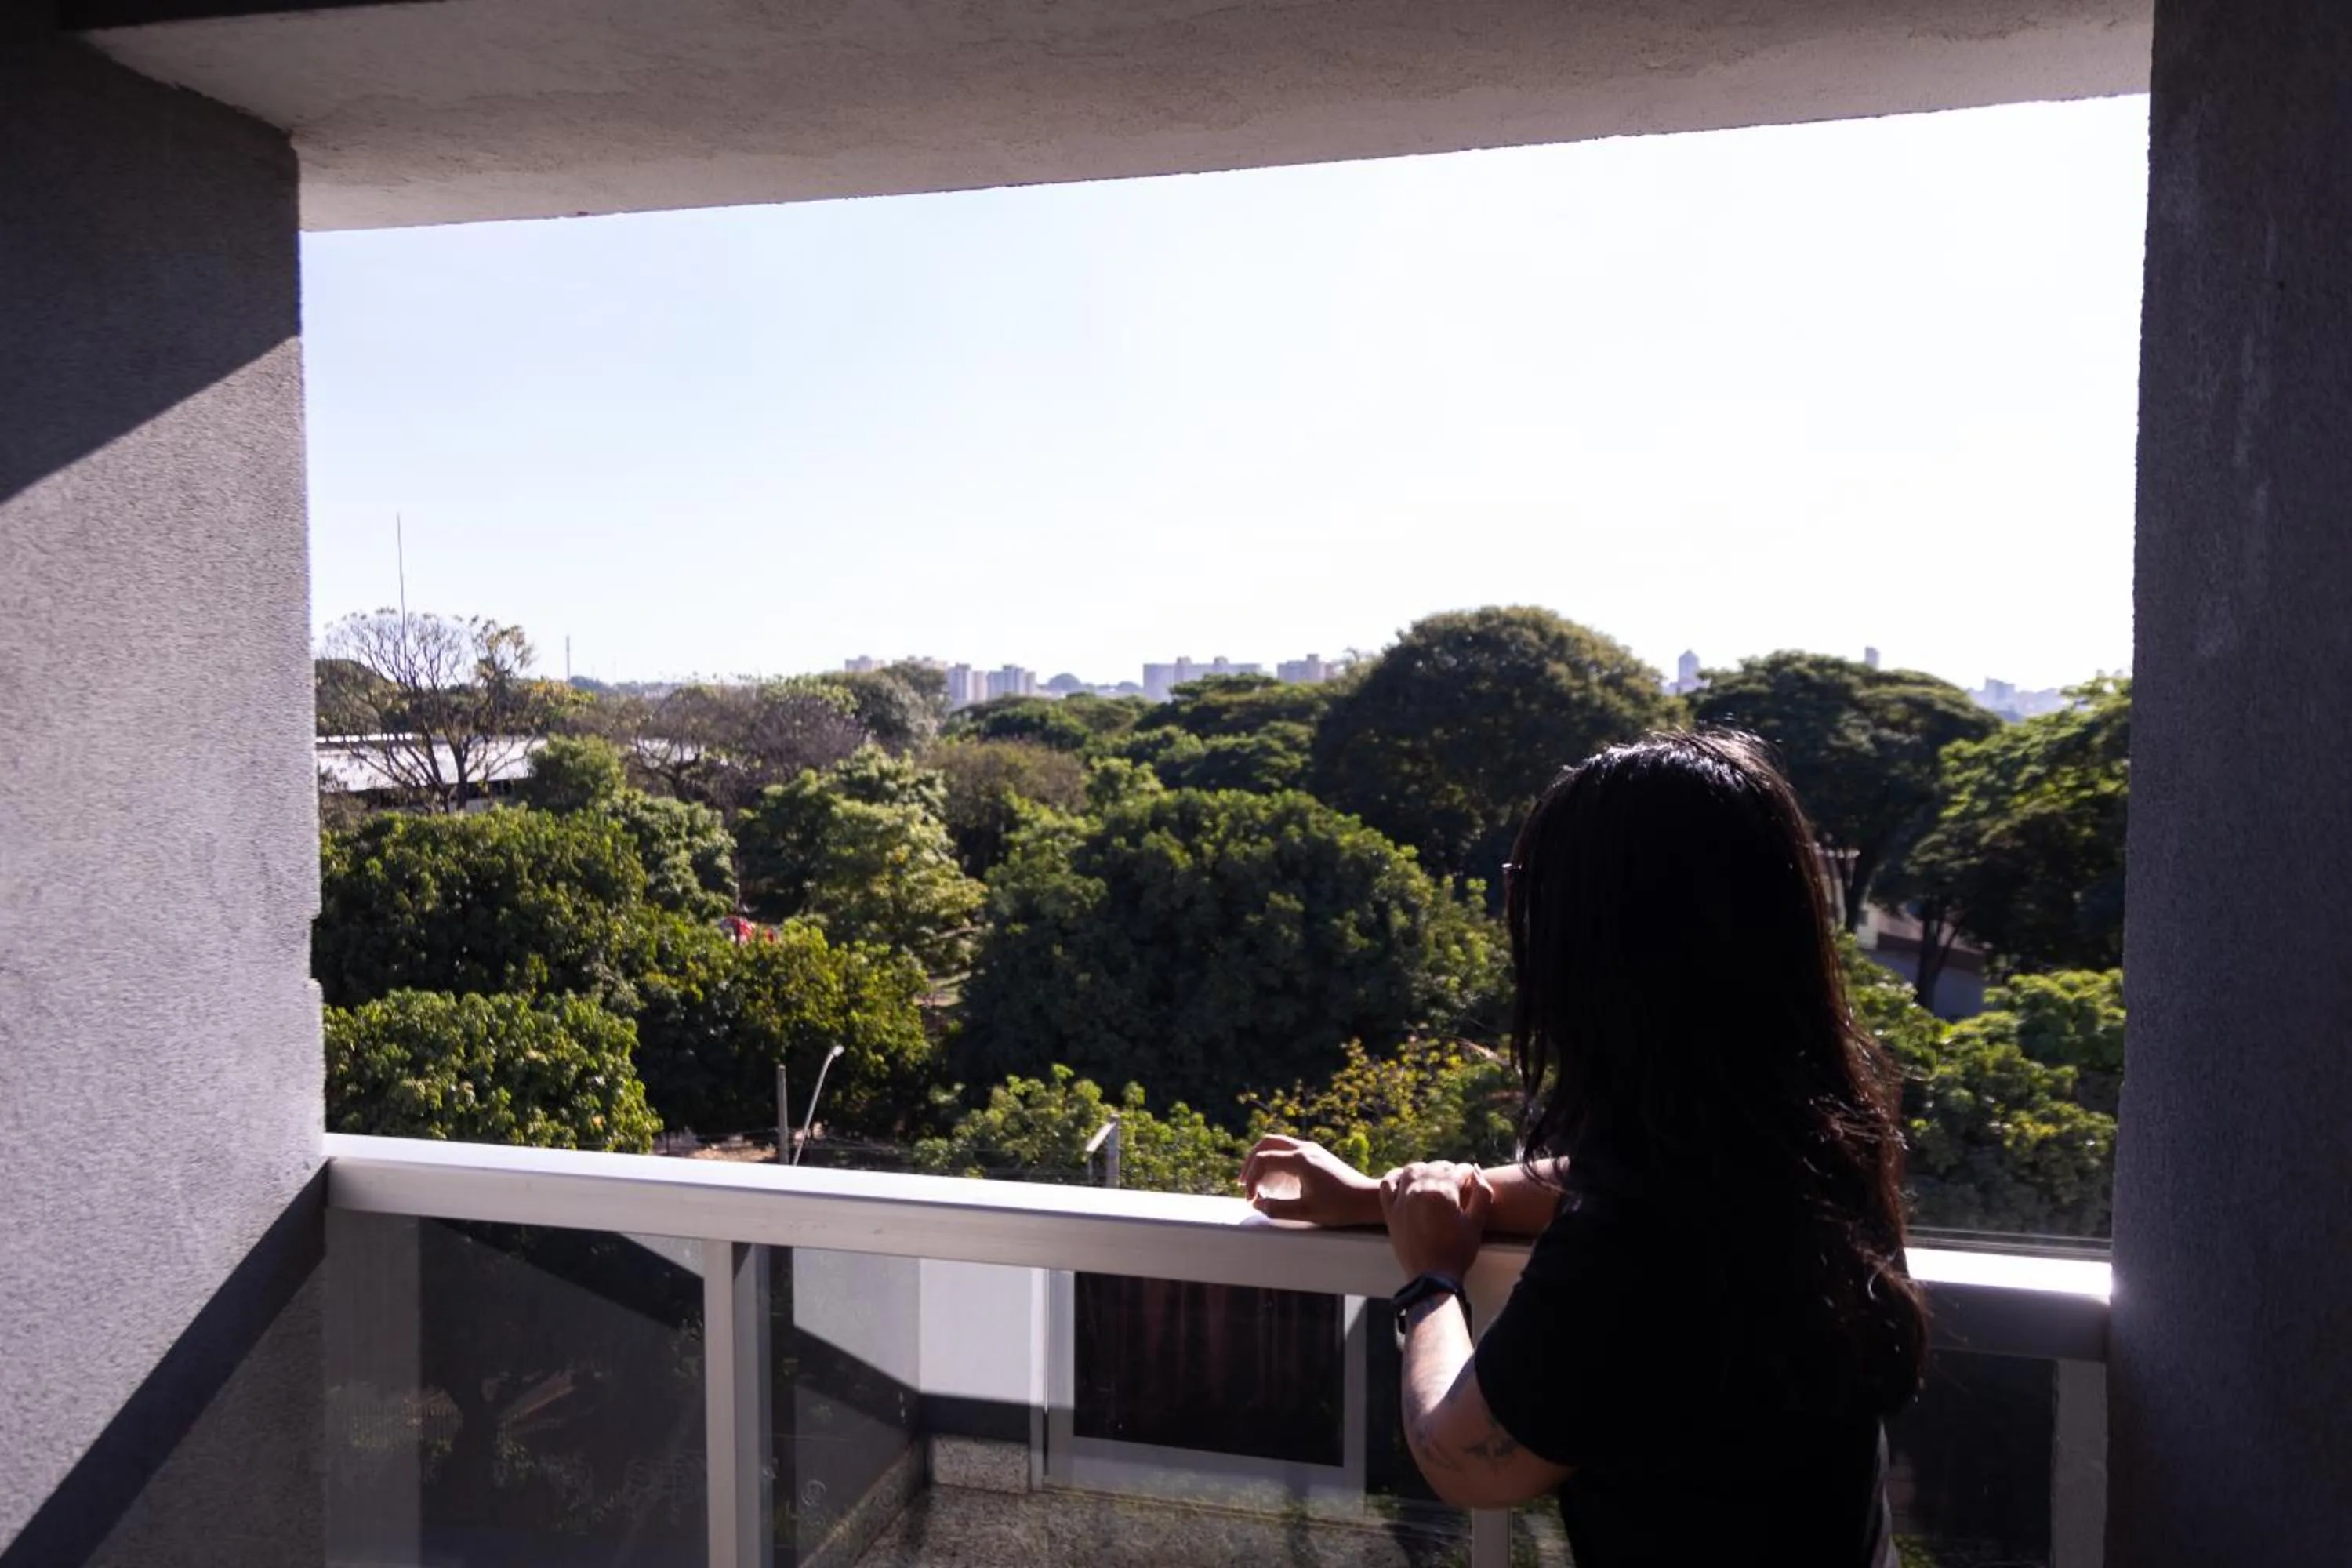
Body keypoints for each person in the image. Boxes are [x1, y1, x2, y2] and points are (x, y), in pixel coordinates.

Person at [1243, 731, 1926, 1568]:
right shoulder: (1808, 1140)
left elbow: (1463, 1453)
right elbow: (1607, 1178)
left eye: (1531, 897)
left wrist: (1429, 1277)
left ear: (1609, 947)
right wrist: (1382, 1194)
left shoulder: (1636, 1243)